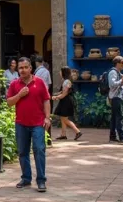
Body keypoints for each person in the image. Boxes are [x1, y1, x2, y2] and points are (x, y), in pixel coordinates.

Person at [6, 57, 51, 193]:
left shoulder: (40, 82)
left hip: (38, 123)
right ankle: (26, 178)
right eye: (21, 68)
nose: (23, 70)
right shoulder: (14, 84)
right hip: (21, 124)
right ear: (18, 69)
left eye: (26, 67)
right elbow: (9, 103)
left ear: (31, 68)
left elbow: (46, 100)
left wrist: (47, 118)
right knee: (22, 152)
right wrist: (19, 95)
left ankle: (41, 180)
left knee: (39, 150)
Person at [51, 66, 82, 141]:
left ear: (63, 72)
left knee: (65, 119)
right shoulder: (66, 81)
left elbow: (64, 94)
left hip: (66, 101)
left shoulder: (66, 81)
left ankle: (77, 131)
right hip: (65, 101)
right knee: (63, 118)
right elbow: (64, 91)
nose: (59, 72)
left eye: (61, 71)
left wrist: (56, 97)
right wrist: (57, 94)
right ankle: (63, 134)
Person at [108, 56, 123, 144]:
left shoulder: (117, 72)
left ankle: (113, 137)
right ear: (118, 63)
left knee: (114, 118)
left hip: (116, 97)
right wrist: (122, 80)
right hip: (116, 97)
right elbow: (112, 84)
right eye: (122, 62)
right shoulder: (113, 72)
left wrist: (122, 78)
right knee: (119, 117)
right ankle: (122, 137)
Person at [33, 56, 53, 146]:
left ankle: (41, 138)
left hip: (37, 96)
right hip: (45, 96)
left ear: (37, 62)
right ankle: (48, 139)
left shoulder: (36, 72)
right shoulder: (47, 71)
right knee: (47, 116)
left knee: (38, 115)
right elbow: (49, 83)